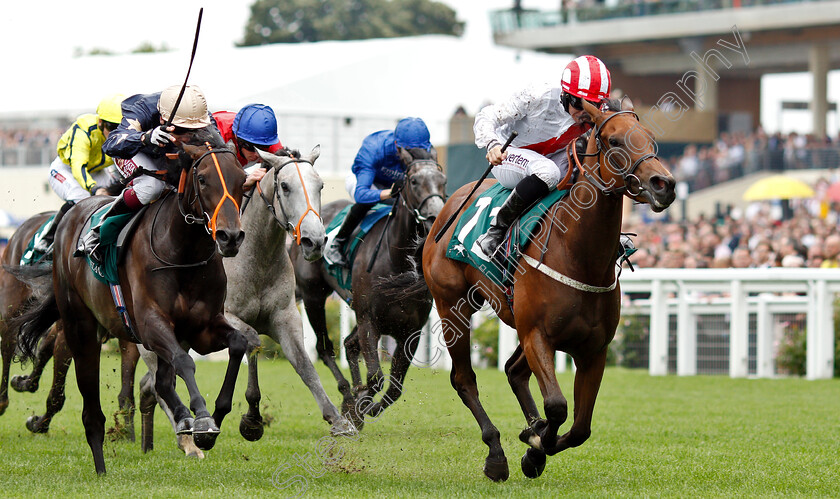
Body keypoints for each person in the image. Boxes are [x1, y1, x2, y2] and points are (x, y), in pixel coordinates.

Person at [472, 54, 612, 257]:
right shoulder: (539, 94)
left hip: (550, 158)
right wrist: (492, 144)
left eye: (593, 107)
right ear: (566, 95)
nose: (586, 113)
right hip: (507, 155)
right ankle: (495, 232)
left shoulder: (598, 110)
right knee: (549, 172)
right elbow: (487, 115)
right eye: (580, 105)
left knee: (591, 163)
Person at [78, 84, 213, 263]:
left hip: (169, 155)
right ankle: (100, 230)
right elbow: (111, 144)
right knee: (152, 186)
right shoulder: (143, 109)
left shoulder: (202, 117)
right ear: (164, 120)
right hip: (136, 151)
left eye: (194, 131)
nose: (188, 137)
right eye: (181, 130)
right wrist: (145, 137)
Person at [323, 117, 433, 267]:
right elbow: (361, 194)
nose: (415, 157)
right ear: (397, 145)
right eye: (410, 152)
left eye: (420, 152)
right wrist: (388, 193)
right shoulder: (374, 148)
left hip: (395, 185)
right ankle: (337, 242)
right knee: (367, 201)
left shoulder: (423, 148)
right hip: (365, 182)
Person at [35, 93, 126, 252]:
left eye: (119, 127)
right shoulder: (84, 127)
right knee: (82, 197)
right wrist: (94, 189)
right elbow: (78, 166)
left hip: (97, 170)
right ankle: (48, 236)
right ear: (100, 122)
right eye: (111, 127)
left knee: (115, 197)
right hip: (67, 169)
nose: (115, 133)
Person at [212, 103, 285, 190]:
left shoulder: (270, 141)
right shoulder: (219, 138)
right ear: (236, 137)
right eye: (251, 147)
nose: (257, 154)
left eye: (263, 148)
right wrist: (244, 181)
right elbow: (211, 184)